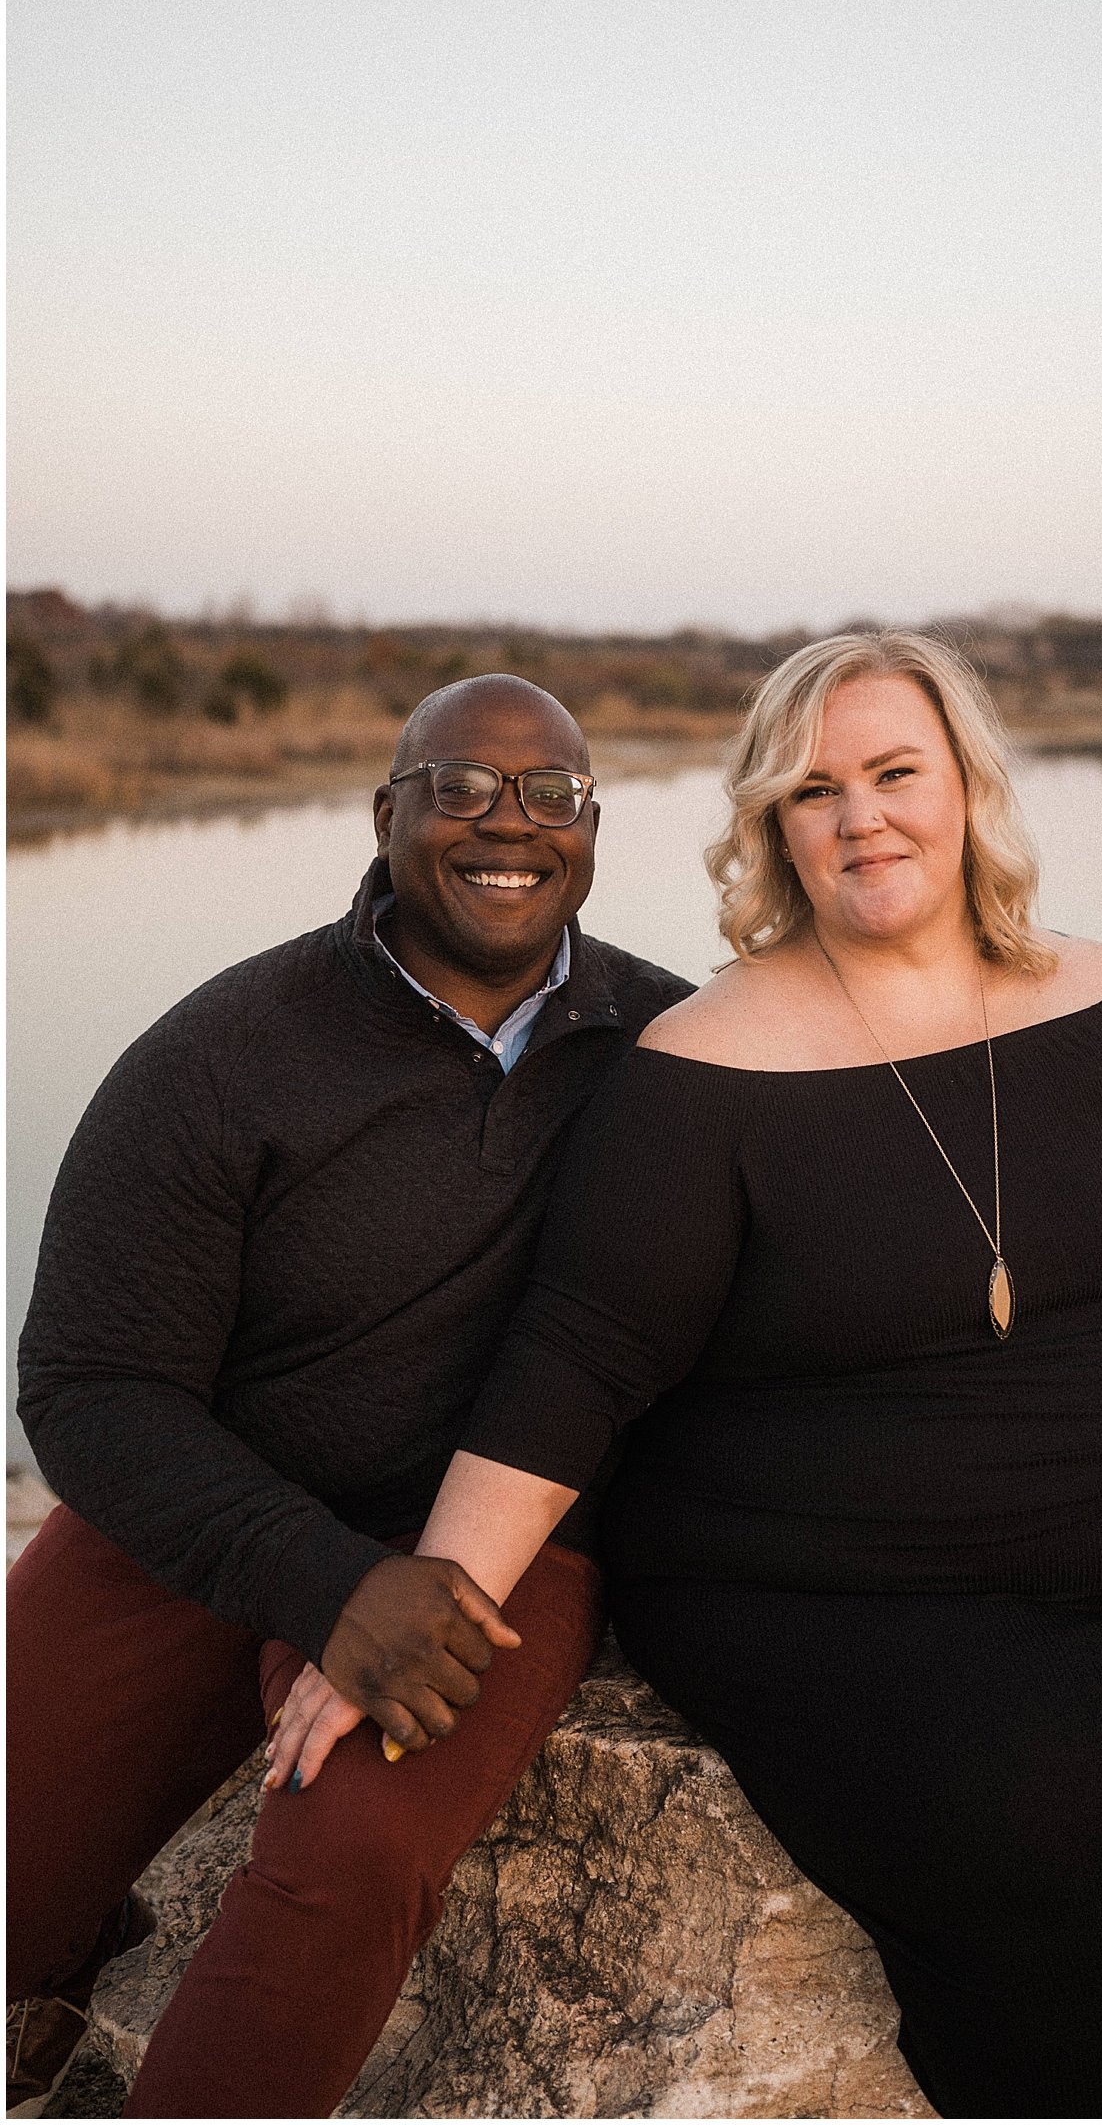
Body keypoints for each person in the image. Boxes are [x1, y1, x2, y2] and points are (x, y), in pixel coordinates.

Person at [273, 628, 1102, 2119]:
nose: (861, 816)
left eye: (896, 773)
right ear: (774, 826)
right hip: (853, 1602)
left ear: (967, 789)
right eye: (814, 789)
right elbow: (578, 1362)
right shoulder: (702, 1068)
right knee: (1037, 1794)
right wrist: (425, 1608)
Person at [7, 674, 692, 2119]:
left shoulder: (670, 1052)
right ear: (385, 815)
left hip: (505, 1546)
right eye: (459, 788)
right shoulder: (223, 1053)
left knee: (358, 1858)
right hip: (209, 1508)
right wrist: (320, 1582)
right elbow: (86, 1383)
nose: (509, 823)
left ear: (590, 828)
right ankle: (53, 1972)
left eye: (551, 794)